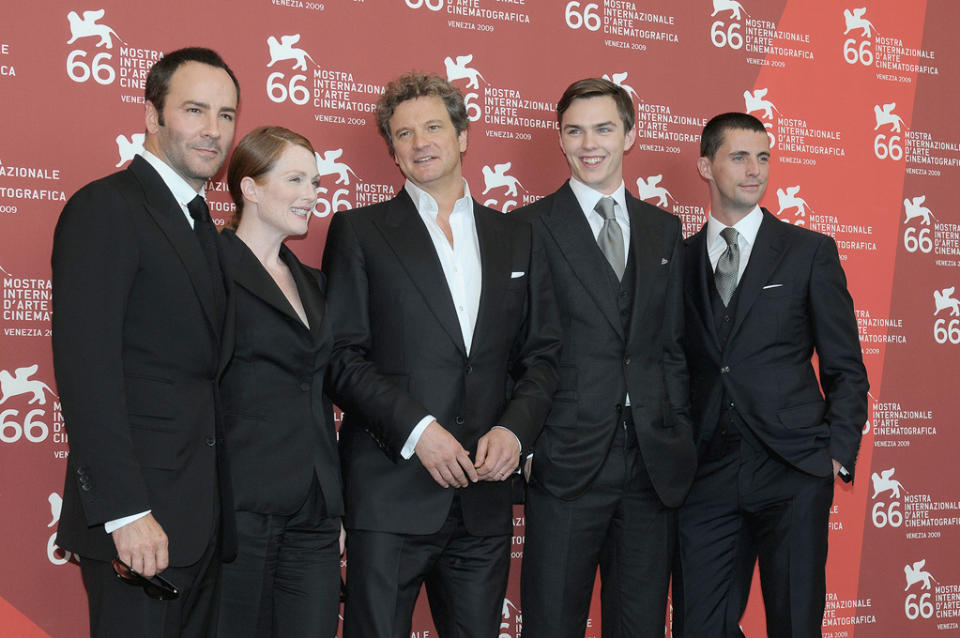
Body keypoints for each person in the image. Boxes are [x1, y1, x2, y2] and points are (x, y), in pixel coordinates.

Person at [322, 72, 561, 638]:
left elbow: (543, 356)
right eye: (403, 134)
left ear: (463, 136)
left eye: (433, 127)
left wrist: (516, 431)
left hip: (484, 501)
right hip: (389, 491)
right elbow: (340, 357)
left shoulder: (517, 237)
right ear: (393, 151)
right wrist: (418, 430)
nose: (420, 142)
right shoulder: (360, 232)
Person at [51, 47, 239, 637]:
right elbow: (88, 375)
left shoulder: (200, 222)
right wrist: (125, 513)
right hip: (139, 528)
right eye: (194, 110)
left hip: (199, 522)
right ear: (152, 116)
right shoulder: (105, 208)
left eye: (227, 115)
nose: (213, 131)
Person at [672, 113, 868, 637]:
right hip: (705, 470)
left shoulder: (809, 252)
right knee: (699, 626)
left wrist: (835, 452)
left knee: (795, 624)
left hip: (793, 468)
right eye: (739, 157)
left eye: (763, 157)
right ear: (705, 166)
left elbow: (846, 365)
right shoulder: (678, 261)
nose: (754, 170)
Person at [514, 78, 696, 638]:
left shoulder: (663, 229)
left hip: (650, 466)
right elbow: (515, 347)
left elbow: (671, 348)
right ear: (561, 139)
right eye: (575, 130)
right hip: (566, 459)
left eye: (603, 128)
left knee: (640, 625)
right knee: (551, 623)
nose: (589, 143)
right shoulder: (527, 226)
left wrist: (676, 428)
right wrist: (526, 440)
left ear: (630, 134)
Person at [215, 126, 344, 637]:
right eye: (295, 179)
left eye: (314, 181)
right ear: (250, 187)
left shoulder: (313, 281)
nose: (312, 194)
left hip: (314, 508)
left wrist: (335, 507)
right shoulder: (210, 268)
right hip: (238, 504)